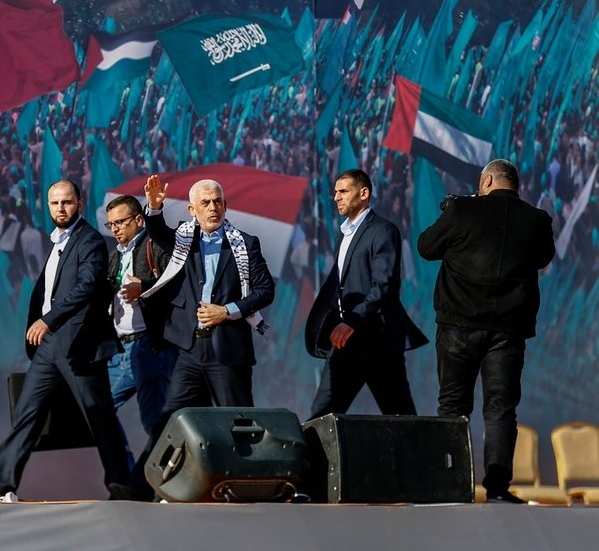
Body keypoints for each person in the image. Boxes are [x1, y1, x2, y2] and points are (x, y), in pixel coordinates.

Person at [110, 175, 275, 500]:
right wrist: (154, 207)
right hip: (189, 349)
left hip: (228, 349)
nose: (213, 207)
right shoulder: (184, 240)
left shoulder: (245, 242)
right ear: (192, 209)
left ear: (225, 206)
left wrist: (226, 311)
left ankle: (249, 488)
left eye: (218, 202)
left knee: (237, 421)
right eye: (205, 203)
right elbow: (157, 232)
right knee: (171, 419)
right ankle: (139, 488)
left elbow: (264, 290)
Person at [0, 180, 129, 501]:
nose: (60, 209)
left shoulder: (91, 241)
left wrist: (48, 320)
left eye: (67, 202)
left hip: (79, 345)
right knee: (27, 415)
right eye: (55, 203)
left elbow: (85, 288)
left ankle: (123, 483)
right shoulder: (57, 243)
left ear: (80, 204)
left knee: (99, 415)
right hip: (49, 349)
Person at [418, 158, 555, 504]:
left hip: (457, 327)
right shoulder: (537, 220)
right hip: (507, 332)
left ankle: (451, 482)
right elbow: (543, 258)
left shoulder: (462, 210)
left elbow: (425, 247)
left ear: (489, 180)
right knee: (501, 407)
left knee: (452, 405)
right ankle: (496, 486)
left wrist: (452, 211)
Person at [304, 169, 427, 419]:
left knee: (400, 416)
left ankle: (420, 459)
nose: (336, 197)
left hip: (378, 342)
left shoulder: (383, 230)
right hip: (346, 344)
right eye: (335, 192)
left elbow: (383, 285)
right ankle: (313, 460)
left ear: (363, 194)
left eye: (343, 191)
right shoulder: (343, 234)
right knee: (321, 414)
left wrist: (352, 321)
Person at [103, 194, 176, 464]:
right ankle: (139, 475)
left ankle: (142, 477)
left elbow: (176, 286)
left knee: (151, 420)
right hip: (120, 348)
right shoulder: (113, 256)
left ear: (138, 219)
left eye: (121, 222)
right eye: (111, 224)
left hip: (148, 346)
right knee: (151, 420)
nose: (115, 228)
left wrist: (142, 288)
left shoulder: (154, 246)